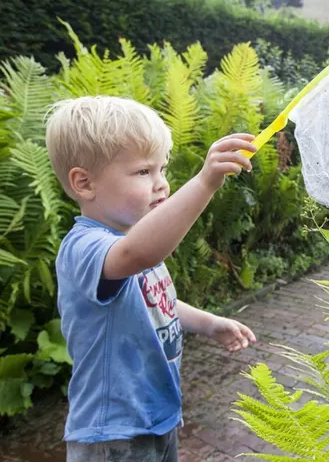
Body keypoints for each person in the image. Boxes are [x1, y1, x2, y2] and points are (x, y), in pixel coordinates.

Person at [45, 96, 258, 461]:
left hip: (157, 417)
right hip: (113, 433)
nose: (161, 184)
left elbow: (158, 302)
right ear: (84, 183)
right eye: (144, 172)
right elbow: (139, 254)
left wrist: (209, 323)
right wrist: (206, 182)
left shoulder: (131, 239)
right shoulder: (87, 247)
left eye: (163, 169)